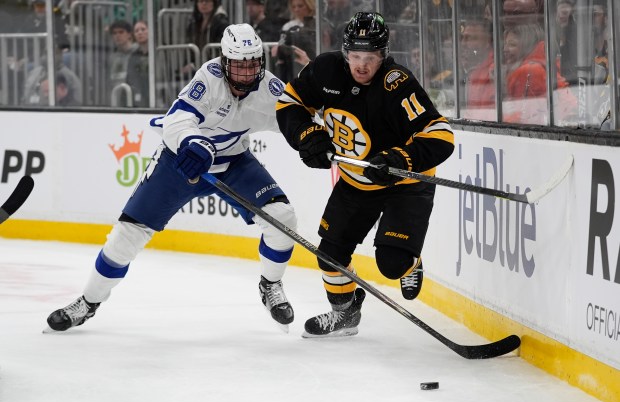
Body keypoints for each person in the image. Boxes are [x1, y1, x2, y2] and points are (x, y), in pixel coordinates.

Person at [47, 24, 298, 333]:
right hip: (180, 163)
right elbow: (178, 118)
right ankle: (87, 302)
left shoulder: (270, 89)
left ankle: (270, 284)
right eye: (239, 64)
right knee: (127, 235)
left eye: (253, 63)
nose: (247, 72)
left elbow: (297, 119)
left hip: (233, 162)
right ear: (224, 61)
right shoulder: (209, 79)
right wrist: (194, 143)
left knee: (282, 216)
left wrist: (314, 137)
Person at [275, 12, 454, 338]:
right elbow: (289, 102)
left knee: (391, 263)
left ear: (383, 55)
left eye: (369, 58)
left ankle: (409, 264)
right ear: (345, 53)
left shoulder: (396, 83)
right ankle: (345, 313)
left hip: (405, 182)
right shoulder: (325, 70)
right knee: (330, 254)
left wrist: (401, 157)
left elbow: (441, 135)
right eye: (355, 56)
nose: (361, 65)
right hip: (357, 180)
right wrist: (305, 135)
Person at [502, 22, 575, 124]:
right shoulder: (541, 65)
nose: (505, 49)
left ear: (526, 45)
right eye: (505, 44)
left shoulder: (529, 70)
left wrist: (503, 116)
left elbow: (523, 119)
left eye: (512, 45)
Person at [460, 18, 496, 119]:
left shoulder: (493, 71)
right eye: (463, 38)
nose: (463, 43)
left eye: (470, 38)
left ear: (488, 42)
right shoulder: (472, 70)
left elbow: (487, 116)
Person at [107, 19, 137, 104]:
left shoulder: (136, 53)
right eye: (115, 33)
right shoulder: (112, 57)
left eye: (121, 32)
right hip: (116, 98)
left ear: (129, 34)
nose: (117, 36)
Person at [125, 20, 150, 107]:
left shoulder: (159, 52)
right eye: (136, 31)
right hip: (140, 96)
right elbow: (131, 78)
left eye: (143, 29)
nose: (140, 33)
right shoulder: (133, 56)